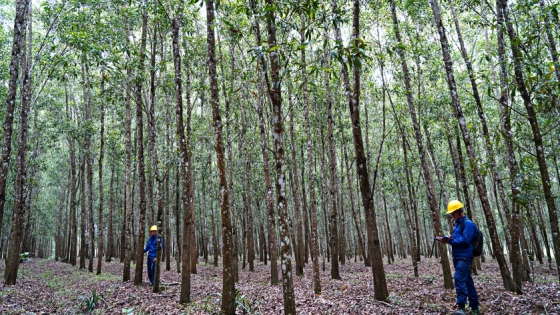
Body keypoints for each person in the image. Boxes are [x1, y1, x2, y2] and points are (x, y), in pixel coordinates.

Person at [436, 200, 480, 315]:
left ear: (459, 211)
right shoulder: (458, 224)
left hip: (465, 257)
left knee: (459, 278)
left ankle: (461, 307)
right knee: (467, 281)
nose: (451, 215)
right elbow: (456, 238)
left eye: (453, 213)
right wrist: (447, 238)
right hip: (458, 256)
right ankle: (475, 308)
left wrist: (450, 241)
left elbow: (466, 240)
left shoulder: (468, 223)